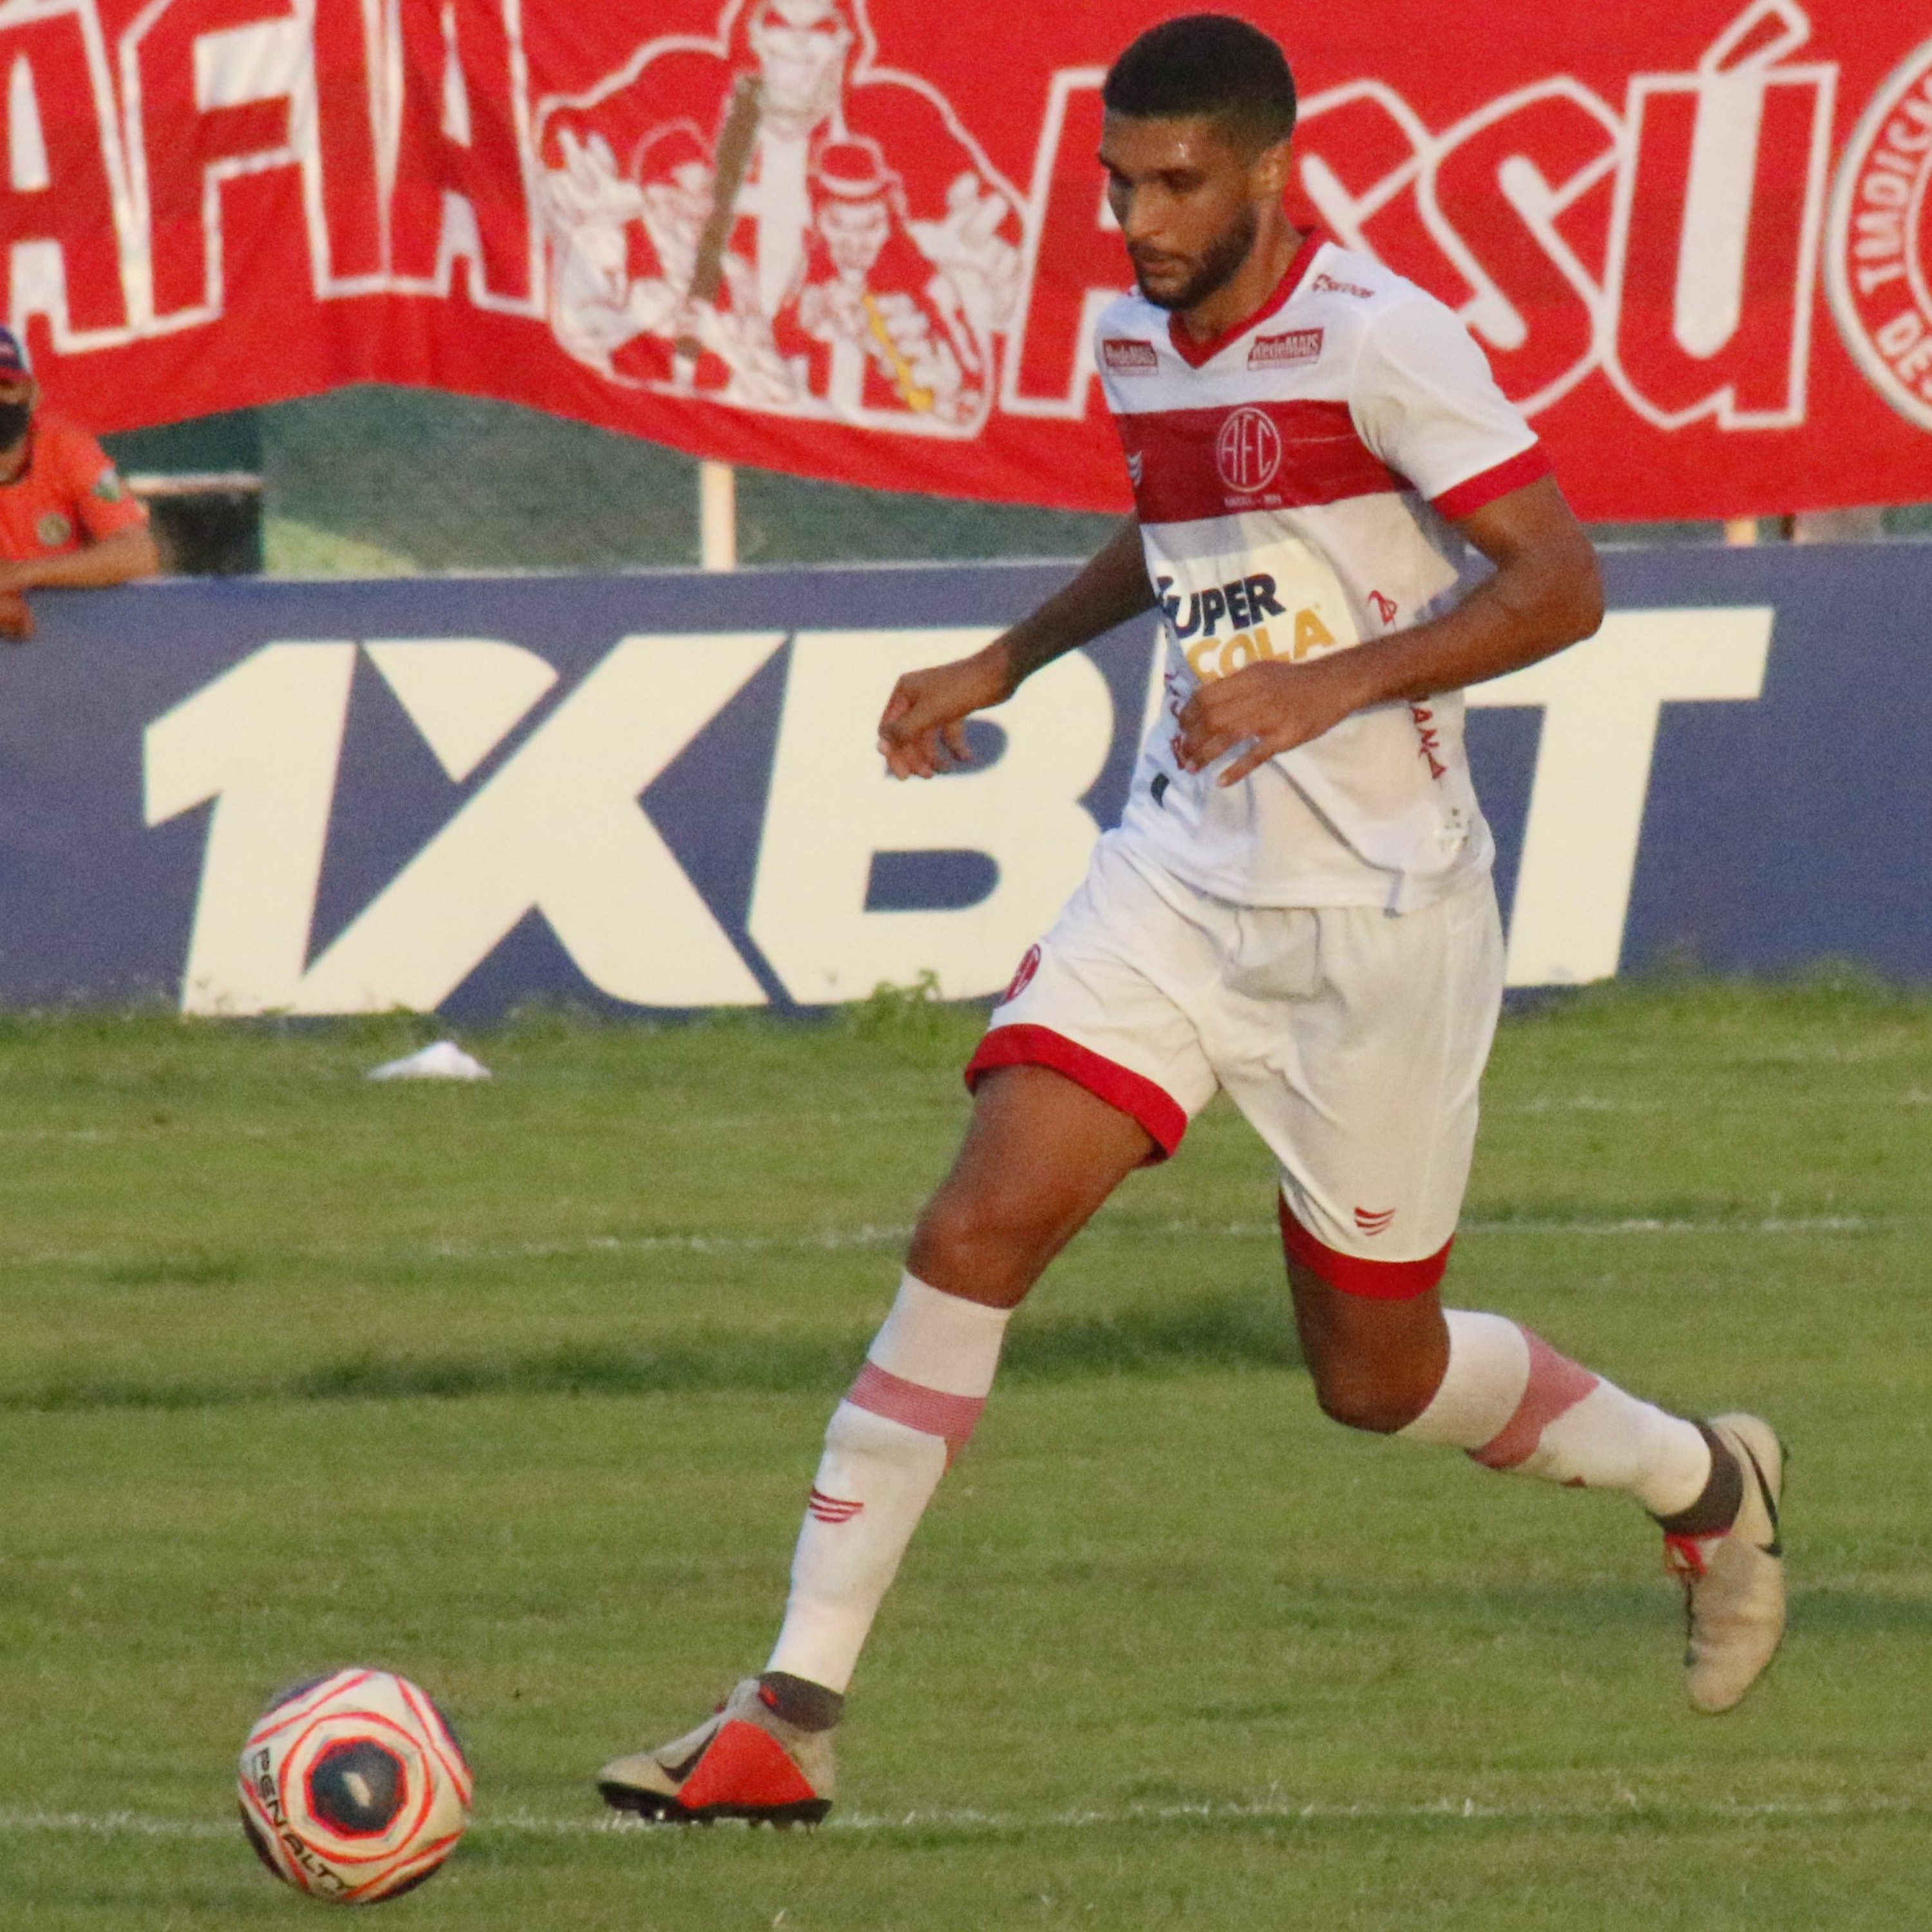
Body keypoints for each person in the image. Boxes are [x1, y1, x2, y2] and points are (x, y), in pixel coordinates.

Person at [596, 14, 1785, 1828]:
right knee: (973, 1231)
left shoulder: (1382, 336)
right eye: (1118, 183)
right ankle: (788, 1713)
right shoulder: (1135, 337)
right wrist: (1007, 656)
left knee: (1374, 1377)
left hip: (1378, 918)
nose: (1141, 221)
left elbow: (1561, 584)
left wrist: (1332, 685)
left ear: (1268, 172)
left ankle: (1698, 1481)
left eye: (1177, 183)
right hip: (1175, 874)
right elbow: (1174, 534)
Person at [0, 328, 158, 641]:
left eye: (6, 387)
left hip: (76, 633)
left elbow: (138, 554)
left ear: (32, 394)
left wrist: (20, 575)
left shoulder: (67, 449)